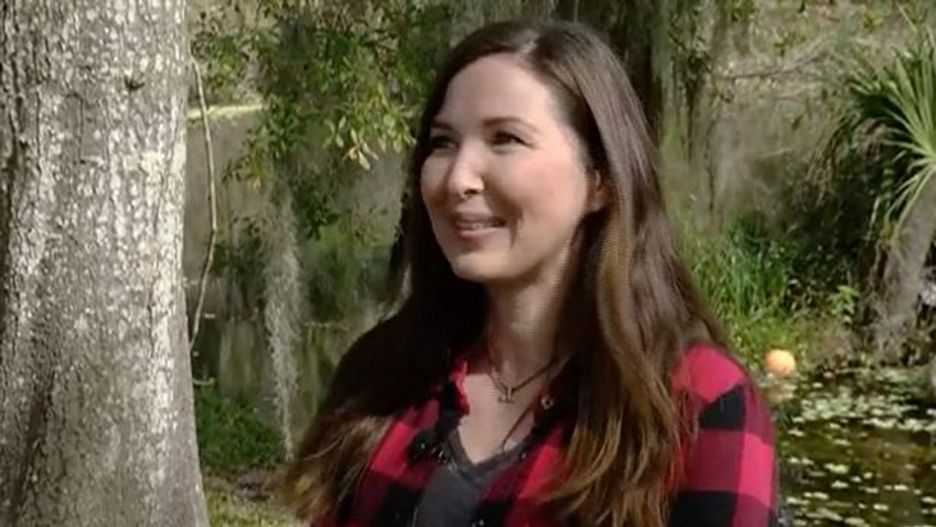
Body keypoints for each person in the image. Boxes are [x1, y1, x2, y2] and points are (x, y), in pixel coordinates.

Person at [282, 20, 778, 527]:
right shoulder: (380, 376)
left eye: (505, 139)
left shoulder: (699, 405)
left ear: (600, 180)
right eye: (443, 143)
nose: (458, 179)